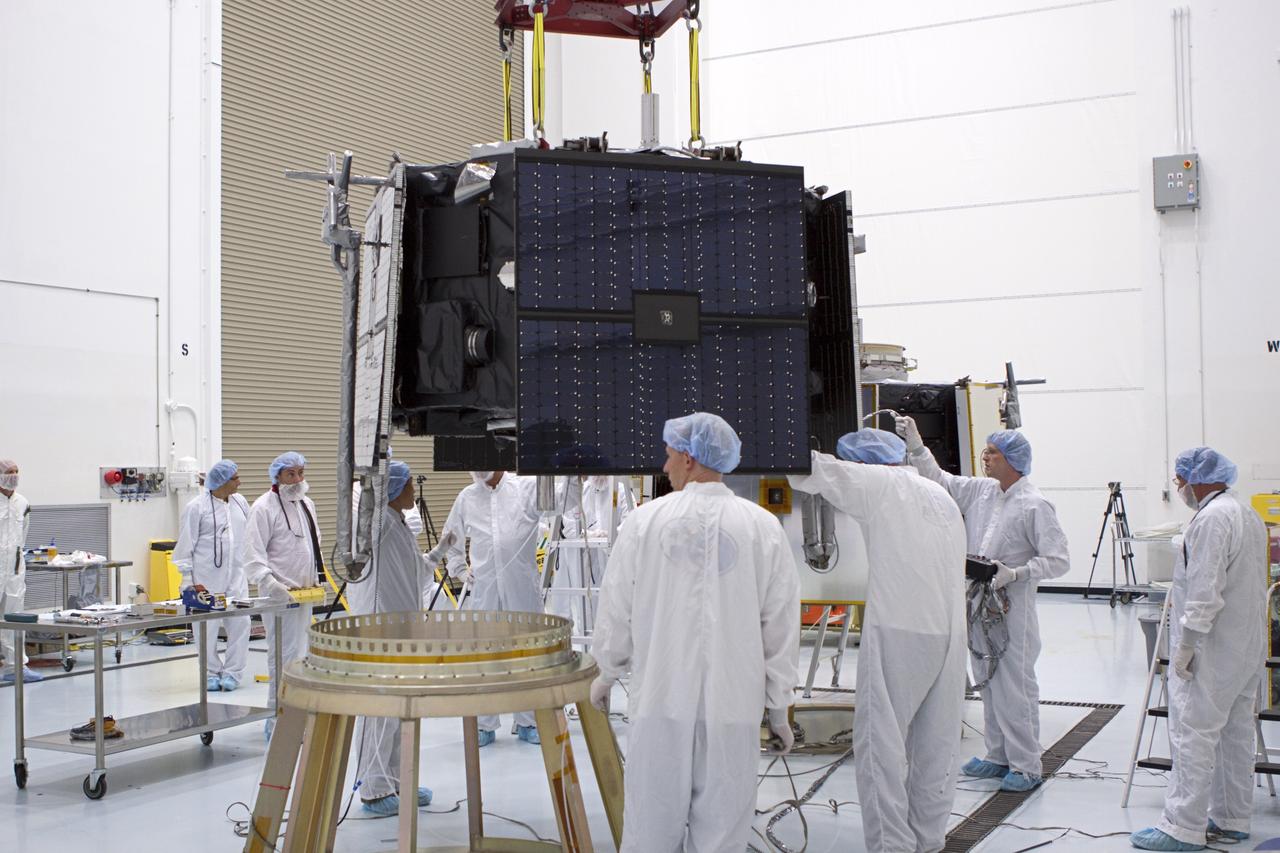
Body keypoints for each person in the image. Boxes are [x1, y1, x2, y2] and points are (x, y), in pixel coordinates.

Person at [590, 413, 799, 852]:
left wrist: (606, 671)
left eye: (667, 457)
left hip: (660, 702)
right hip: (732, 708)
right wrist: (778, 706)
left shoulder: (644, 523)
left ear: (687, 458)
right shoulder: (762, 527)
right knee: (723, 831)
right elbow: (779, 624)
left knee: (650, 826)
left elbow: (617, 607)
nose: (664, 468)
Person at [788, 429, 967, 852]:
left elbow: (808, 470)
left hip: (901, 631)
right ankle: (928, 840)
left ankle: (891, 846)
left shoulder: (878, 483)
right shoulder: (938, 494)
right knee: (935, 745)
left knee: (880, 743)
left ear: (863, 463)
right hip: (950, 633)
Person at [896, 418, 1069, 792]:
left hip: (1012, 607)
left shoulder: (1035, 505)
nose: (985, 457)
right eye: (987, 451)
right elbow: (940, 481)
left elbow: (1059, 560)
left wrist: (1018, 573)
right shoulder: (982, 491)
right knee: (987, 679)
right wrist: (916, 446)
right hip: (978, 602)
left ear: (1011, 460)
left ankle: (1026, 764)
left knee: (1014, 684)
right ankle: (997, 755)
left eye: (992, 452)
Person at [1131, 448, 1267, 851]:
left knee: (1193, 731)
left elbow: (1204, 591)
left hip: (1212, 647)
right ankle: (1231, 817)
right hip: (1244, 648)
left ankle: (1183, 826)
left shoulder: (1210, 519)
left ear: (1200, 479)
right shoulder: (1245, 513)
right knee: (1236, 733)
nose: (1179, 487)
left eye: (1180, 479)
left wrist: (1188, 644)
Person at [346, 461, 434, 817]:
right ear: (395, 489)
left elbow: (415, 572)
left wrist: (441, 550)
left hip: (401, 629)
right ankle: (374, 788)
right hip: (381, 630)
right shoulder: (378, 522)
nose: (416, 489)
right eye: (411, 483)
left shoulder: (397, 523)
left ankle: (396, 780)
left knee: (400, 709)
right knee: (380, 710)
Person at [438, 469, 546, 746]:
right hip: (485, 586)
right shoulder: (468, 496)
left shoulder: (526, 487)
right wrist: (460, 570)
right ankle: (484, 724)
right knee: (485, 653)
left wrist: (569, 472)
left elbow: (563, 501)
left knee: (527, 651)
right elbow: (451, 536)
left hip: (521, 584)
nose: (476, 471)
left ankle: (528, 720)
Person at [242, 451, 321, 739]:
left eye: (301, 473)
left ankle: (296, 713)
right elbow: (252, 553)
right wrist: (271, 584)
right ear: (277, 477)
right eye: (291, 474)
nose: (298, 479)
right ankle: (278, 720)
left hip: (305, 594)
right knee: (283, 658)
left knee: (302, 657)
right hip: (279, 596)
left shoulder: (306, 504)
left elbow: (313, 546)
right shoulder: (263, 507)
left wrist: (317, 579)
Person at [173, 459, 251, 692]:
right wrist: (187, 579)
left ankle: (233, 673)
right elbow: (186, 544)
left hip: (236, 575)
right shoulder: (196, 507)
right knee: (206, 627)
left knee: (241, 623)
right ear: (222, 482)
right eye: (235, 478)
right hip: (205, 578)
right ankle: (210, 672)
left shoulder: (240, 503)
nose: (240, 482)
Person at [550, 475, 633, 636]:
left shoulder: (621, 491)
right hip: (583, 565)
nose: (598, 475)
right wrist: (592, 535)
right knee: (587, 612)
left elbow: (631, 523)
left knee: (616, 614)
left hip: (613, 563)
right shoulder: (578, 493)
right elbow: (569, 528)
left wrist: (611, 535)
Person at [0, 459, 40, 683]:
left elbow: (22, 537)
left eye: (16, 471)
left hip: (14, 571)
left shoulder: (22, 503)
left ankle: (15, 667)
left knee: (14, 619)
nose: (13, 475)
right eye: (8, 472)